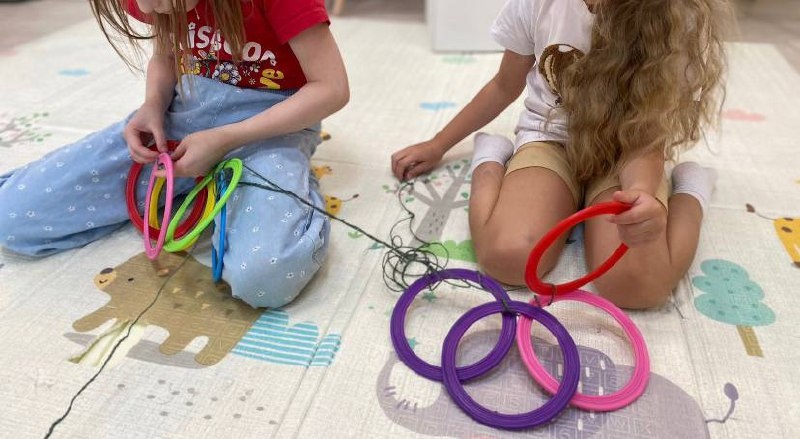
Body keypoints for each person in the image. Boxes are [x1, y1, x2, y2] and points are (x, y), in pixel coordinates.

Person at [0, 0, 349, 308]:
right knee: (11, 216)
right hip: (184, 116)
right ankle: (208, 185)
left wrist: (227, 138)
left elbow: (332, 88)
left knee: (264, 278)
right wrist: (153, 104)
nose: (145, 9)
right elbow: (166, 55)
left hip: (270, 127)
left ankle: (292, 187)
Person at [390, 0, 731, 309]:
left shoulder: (676, 16)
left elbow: (645, 135)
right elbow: (503, 85)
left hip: (625, 151)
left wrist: (641, 193)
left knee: (639, 288)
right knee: (507, 258)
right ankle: (490, 157)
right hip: (550, 137)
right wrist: (438, 144)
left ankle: (692, 188)